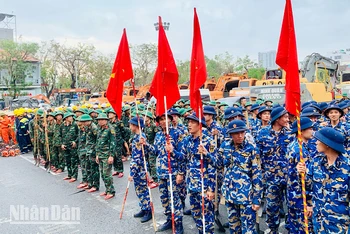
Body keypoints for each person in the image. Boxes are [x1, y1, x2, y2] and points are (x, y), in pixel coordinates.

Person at [297, 127, 350, 233]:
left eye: (319, 140)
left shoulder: (347, 167)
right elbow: (308, 186)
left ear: (327, 144)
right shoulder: (316, 162)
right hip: (319, 222)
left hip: (339, 225)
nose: (316, 142)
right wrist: (302, 174)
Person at [219, 119, 263, 233]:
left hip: (246, 196)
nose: (240, 136)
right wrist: (206, 154)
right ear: (231, 134)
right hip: (230, 195)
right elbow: (218, 164)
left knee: (248, 229)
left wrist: (257, 199)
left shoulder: (251, 149)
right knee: (234, 228)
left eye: (242, 132)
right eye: (236, 133)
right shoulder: (225, 147)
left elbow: (257, 175)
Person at [178, 113, 217, 234]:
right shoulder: (187, 140)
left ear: (200, 125)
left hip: (204, 186)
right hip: (192, 184)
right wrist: (172, 151)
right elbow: (183, 158)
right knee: (196, 214)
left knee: (207, 216)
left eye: (192, 122)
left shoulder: (208, 141)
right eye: (188, 122)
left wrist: (211, 188)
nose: (189, 125)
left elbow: (215, 164)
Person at [256, 107, 292, 233]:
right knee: (271, 208)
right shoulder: (262, 133)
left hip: (289, 178)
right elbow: (257, 156)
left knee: (292, 207)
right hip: (271, 178)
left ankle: (290, 228)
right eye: (285, 117)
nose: (288, 119)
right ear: (277, 119)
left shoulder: (290, 134)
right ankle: (273, 229)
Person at [148, 112, 184, 233]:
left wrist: (181, 173)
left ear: (170, 119)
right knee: (164, 198)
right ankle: (170, 219)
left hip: (173, 172)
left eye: (165, 119)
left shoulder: (177, 133)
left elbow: (183, 156)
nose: (163, 121)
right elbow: (156, 151)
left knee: (175, 199)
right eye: (161, 119)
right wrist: (145, 144)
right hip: (162, 172)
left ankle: (178, 223)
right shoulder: (158, 135)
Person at [286, 117, 315, 233]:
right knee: (305, 228)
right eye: (310, 128)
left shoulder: (293, 145)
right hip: (301, 198)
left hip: (293, 196)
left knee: (295, 227)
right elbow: (304, 179)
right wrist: (309, 202)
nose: (312, 131)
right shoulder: (300, 151)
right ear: (301, 131)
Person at [128, 116, 152, 223]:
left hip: (140, 169)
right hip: (138, 169)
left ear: (135, 126)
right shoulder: (137, 137)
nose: (129, 126)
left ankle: (148, 210)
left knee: (143, 190)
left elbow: (137, 158)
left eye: (131, 124)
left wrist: (132, 172)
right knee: (139, 190)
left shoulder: (139, 138)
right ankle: (143, 208)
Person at [95, 113, 116, 200]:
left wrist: (111, 156)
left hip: (107, 155)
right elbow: (98, 142)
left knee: (107, 174)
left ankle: (111, 191)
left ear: (106, 120)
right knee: (102, 174)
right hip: (100, 155)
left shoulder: (110, 129)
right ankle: (107, 190)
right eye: (99, 120)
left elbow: (113, 143)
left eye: (101, 120)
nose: (100, 121)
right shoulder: (100, 129)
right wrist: (97, 154)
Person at [60, 112, 79, 183]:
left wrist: (75, 141)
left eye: (71, 116)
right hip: (65, 146)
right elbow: (60, 135)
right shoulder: (63, 126)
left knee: (74, 161)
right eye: (69, 117)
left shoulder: (75, 125)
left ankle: (74, 176)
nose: (71, 118)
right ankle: (69, 174)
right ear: (66, 119)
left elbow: (79, 134)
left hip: (72, 146)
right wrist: (62, 144)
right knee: (67, 161)